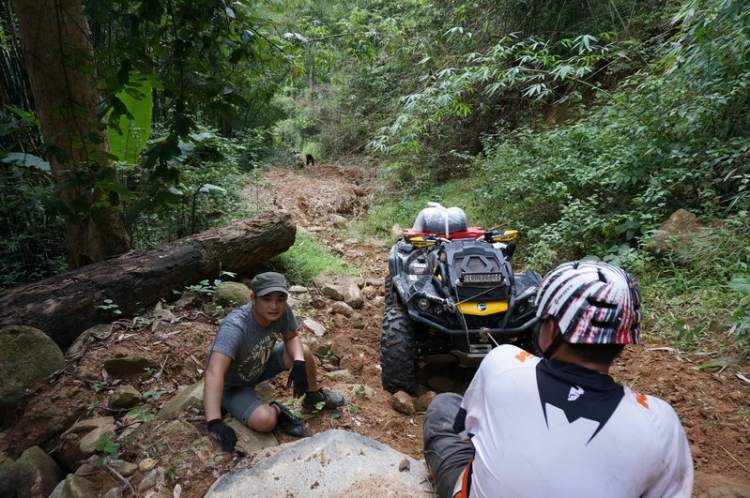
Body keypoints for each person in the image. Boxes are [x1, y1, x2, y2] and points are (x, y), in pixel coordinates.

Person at [423, 261, 694, 497]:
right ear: (623, 339)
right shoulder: (662, 423)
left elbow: (467, 435)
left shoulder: (502, 362)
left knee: (445, 406)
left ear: (551, 328)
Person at [203, 272, 345, 451]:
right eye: (267, 299)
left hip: (259, 366)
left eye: (280, 298)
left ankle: (313, 396)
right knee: (265, 421)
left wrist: (299, 362)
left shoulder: (282, 311)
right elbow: (213, 372)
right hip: (232, 386)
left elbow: (292, 337)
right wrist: (214, 422)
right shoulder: (235, 327)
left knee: (304, 352)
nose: (274, 306)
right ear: (253, 299)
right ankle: (278, 410)